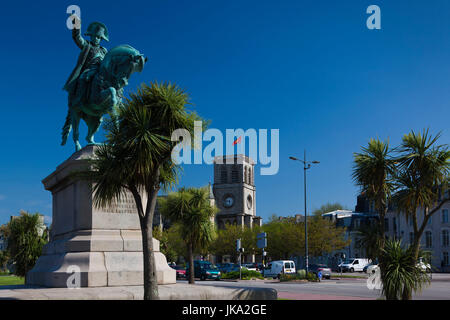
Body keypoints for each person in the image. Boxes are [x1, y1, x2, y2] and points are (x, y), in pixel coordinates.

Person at [64, 15, 109, 107]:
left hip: (101, 71)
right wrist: (77, 25)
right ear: (90, 36)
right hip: (88, 70)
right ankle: (78, 100)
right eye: (94, 36)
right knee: (83, 78)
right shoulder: (86, 45)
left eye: (98, 37)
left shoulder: (104, 50)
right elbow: (77, 37)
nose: (96, 38)